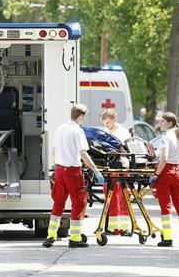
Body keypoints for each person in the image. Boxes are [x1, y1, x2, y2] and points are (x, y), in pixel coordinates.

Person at [42, 104, 105, 248]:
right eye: (84, 117)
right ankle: (75, 238)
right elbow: (83, 153)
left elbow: (53, 151)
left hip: (59, 170)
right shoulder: (77, 131)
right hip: (73, 171)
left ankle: (50, 236)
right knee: (78, 203)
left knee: (58, 203)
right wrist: (95, 169)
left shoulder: (60, 129)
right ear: (81, 116)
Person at [151, 112, 179, 248]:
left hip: (165, 173)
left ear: (170, 123)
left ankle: (168, 238)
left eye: (162, 121)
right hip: (177, 173)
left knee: (166, 207)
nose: (160, 124)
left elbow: (163, 158)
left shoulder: (166, 137)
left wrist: (156, 175)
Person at [101, 108, 131, 234]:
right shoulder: (105, 131)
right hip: (110, 167)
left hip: (121, 167)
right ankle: (112, 227)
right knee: (111, 197)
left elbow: (128, 150)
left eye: (108, 122)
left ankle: (124, 227)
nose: (106, 125)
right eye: (105, 123)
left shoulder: (123, 132)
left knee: (123, 197)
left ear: (114, 120)